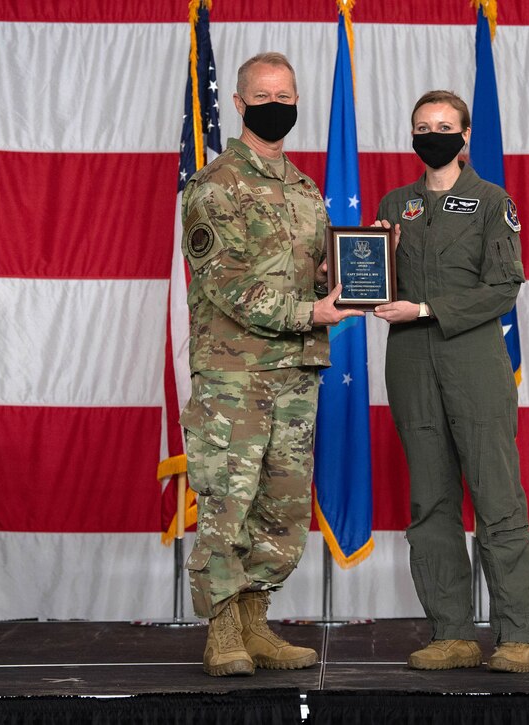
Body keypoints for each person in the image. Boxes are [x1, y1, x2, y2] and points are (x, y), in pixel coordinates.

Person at [179, 52, 362, 677]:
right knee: (228, 504)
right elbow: (228, 286)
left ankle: (257, 625)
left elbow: (312, 273)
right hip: (236, 377)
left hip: (296, 373)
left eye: (286, 93)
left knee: (280, 510)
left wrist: (361, 268)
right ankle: (223, 632)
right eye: (264, 93)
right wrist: (312, 314)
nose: (276, 102)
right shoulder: (214, 186)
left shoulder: (305, 190)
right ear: (239, 103)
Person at [374, 90, 529, 673]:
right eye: (422, 126)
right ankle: (451, 632)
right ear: (412, 134)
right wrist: (365, 259)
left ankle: (517, 634)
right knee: (431, 502)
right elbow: (370, 281)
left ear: (465, 135)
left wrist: (423, 309)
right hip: (412, 366)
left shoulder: (493, 202)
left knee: (496, 497)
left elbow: (503, 287)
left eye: (444, 126)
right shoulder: (396, 203)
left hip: (472, 361)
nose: (433, 134)